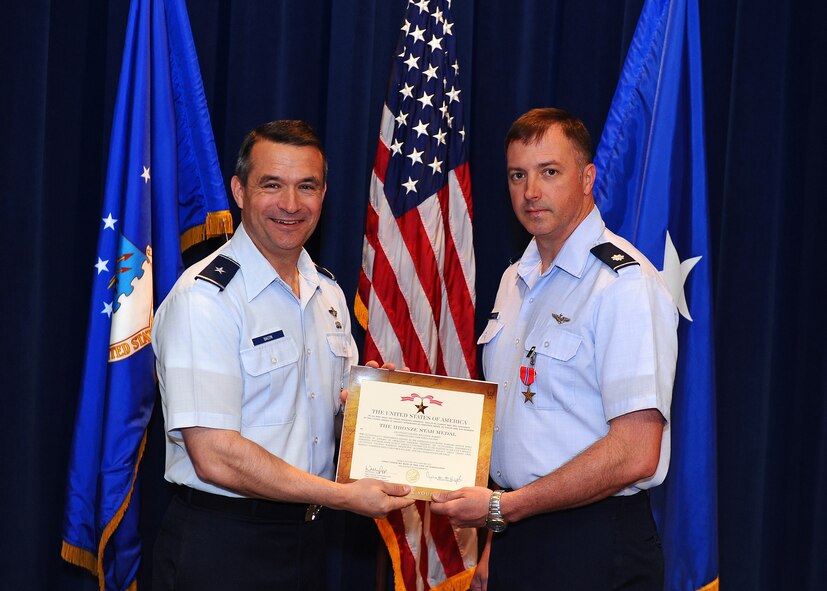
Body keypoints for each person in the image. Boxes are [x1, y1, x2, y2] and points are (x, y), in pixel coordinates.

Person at [151, 120, 414, 590]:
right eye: (272, 185)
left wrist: (367, 407)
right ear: (239, 190)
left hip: (307, 543)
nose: (291, 205)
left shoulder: (328, 293)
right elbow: (215, 455)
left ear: (324, 193)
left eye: (306, 186)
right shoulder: (206, 298)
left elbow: (319, 415)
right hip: (224, 547)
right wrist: (339, 496)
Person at [431, 108, 678, 591]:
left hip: (594, 542)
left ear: (587, 178)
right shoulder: (514, 280)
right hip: (518, 533)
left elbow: (636, 454)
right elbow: (518, 427)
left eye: (549, 172)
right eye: (518, 175)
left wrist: (503, 510)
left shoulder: (623, 285)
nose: (531, 192)